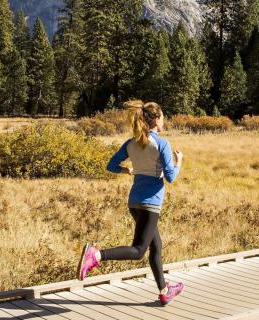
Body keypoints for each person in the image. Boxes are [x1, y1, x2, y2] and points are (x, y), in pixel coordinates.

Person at [77, 100, 184, 306]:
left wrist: (125, 170)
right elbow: (170, 177)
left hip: (134, 202)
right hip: (150, 204)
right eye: (163, 118)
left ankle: (164, 290)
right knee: (138, 251)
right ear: (156, 120)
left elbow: (111, 165)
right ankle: (96, 255)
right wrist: (179, 161)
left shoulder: (131, 143)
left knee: (156, 245)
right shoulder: (162, 144)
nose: (164, 122)